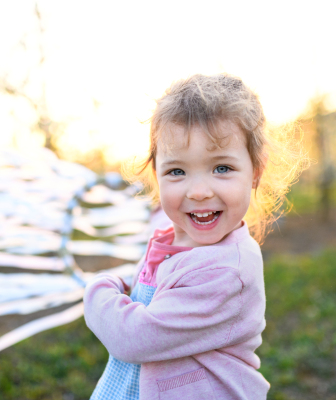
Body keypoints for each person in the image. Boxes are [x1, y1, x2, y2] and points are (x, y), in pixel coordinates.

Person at [83, 73, 306, 400]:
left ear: (256, 170)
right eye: (177, 172)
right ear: (157, 176)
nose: (199, 192)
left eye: (221, 168)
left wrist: (98, 290)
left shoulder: (224, 272)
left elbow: (133, 338)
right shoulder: (177, 233)